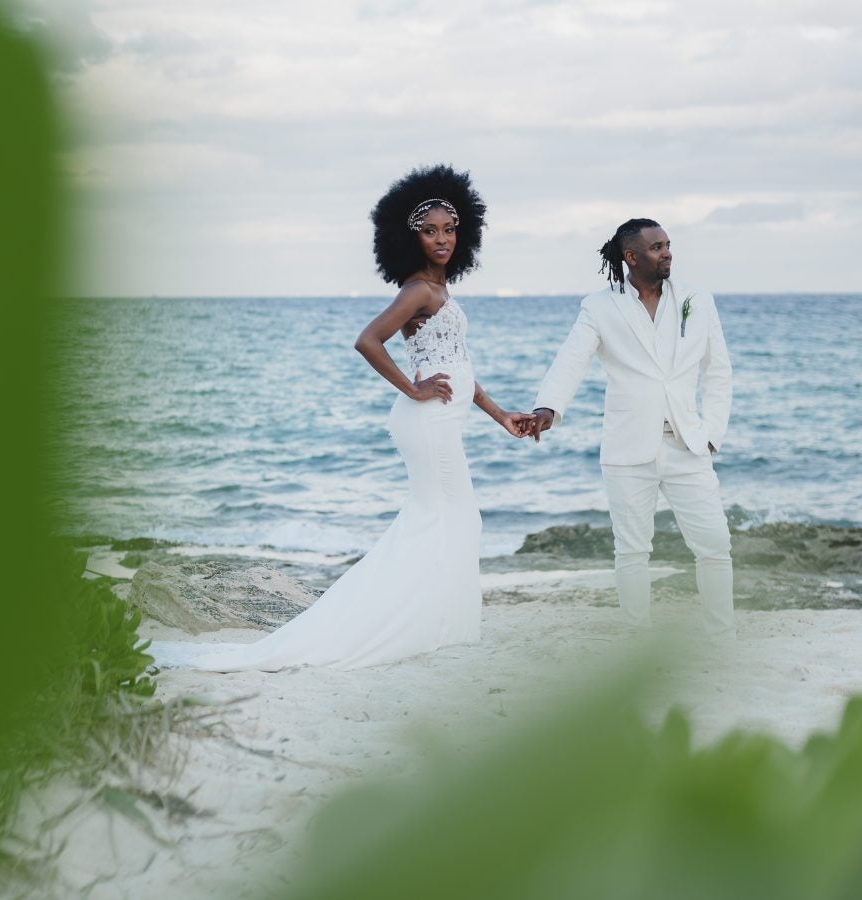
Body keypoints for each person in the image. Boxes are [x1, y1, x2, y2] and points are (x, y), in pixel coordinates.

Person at [148, 165, 533, 672]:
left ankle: (435, 626)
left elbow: (458, 368)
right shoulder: (418, 289)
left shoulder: (443, 292)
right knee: (448, 521)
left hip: (442, 421)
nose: (442, 239)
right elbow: (367, 341)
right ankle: (407, 626)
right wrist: (413, 389)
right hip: (428, 424)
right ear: (410, 237)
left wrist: (501, 415)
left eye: (449, 229)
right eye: (429, 230)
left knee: (450, 522)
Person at [529, 218, 735, 637]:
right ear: (632, 257)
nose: (667, 253)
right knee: (632, 551)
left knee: (714, 546)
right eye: (657, 247)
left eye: (668, 244)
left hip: (688, 443)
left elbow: (718, 370)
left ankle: (722, 635)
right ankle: (638, 638)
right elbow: (572, 359)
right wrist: (548, 408)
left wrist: (712, 431)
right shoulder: (600, 307)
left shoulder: (698, 299)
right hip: (628, 448)